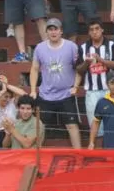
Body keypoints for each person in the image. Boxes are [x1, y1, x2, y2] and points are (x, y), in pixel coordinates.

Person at [29, 18, 81, 149]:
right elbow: (34, 69)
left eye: (56, 29)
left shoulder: (71, 46)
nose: (53, 32)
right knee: (39, 126)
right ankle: (36, 155)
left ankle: (79, 155)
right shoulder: (40, 48)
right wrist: (33, 90)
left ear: (61, 31)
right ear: (46, 32)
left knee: (72, 125)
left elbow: (80, 68)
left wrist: (75, 86)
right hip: (46, 94)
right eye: (50, 29)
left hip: (66, 94)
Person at [76, 20, 114, 138]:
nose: (95, 32)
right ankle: (99, 154)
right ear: (88, 32)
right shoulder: (83, 47)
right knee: (95, 127)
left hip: (110, 91)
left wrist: (102, 60)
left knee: (113, 124)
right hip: (92, 92)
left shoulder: (112, 45)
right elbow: (78, 70)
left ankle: (112, 153)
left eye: (97, 29)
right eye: (91, 30)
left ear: (102, 30)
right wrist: (86, 63)